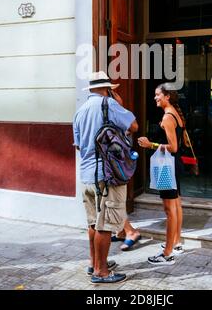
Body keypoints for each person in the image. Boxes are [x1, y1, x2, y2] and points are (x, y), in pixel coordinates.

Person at [73, 71, 138, 284]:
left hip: (86, 175)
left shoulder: (80, 111)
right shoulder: (109, 105)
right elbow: (133, 126)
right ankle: (101, 272)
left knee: (93, 223)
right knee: (105, 225)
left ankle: (95, 262)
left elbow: (78, 145)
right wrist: (118, 103)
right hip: (107, 175)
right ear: (107, 88)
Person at [138, 83, 185, 265]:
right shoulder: (176, 113)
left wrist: (151, 145)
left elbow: (173, 147)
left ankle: (167, 253)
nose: (155, 98)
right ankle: (176, 243)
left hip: (167, 167)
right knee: (176, 205)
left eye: (158, 95)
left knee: (169, 210)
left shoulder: (167, 117)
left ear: (168, 96)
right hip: (175, 165)